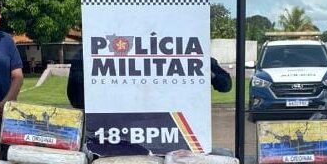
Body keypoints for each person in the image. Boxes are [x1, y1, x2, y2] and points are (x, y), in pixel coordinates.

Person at [66, 48, 232, 109]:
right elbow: (76, 99)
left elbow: (226, 85)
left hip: (174, 125)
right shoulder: (98, 55)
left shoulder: (191, 56)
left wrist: (210, 75)